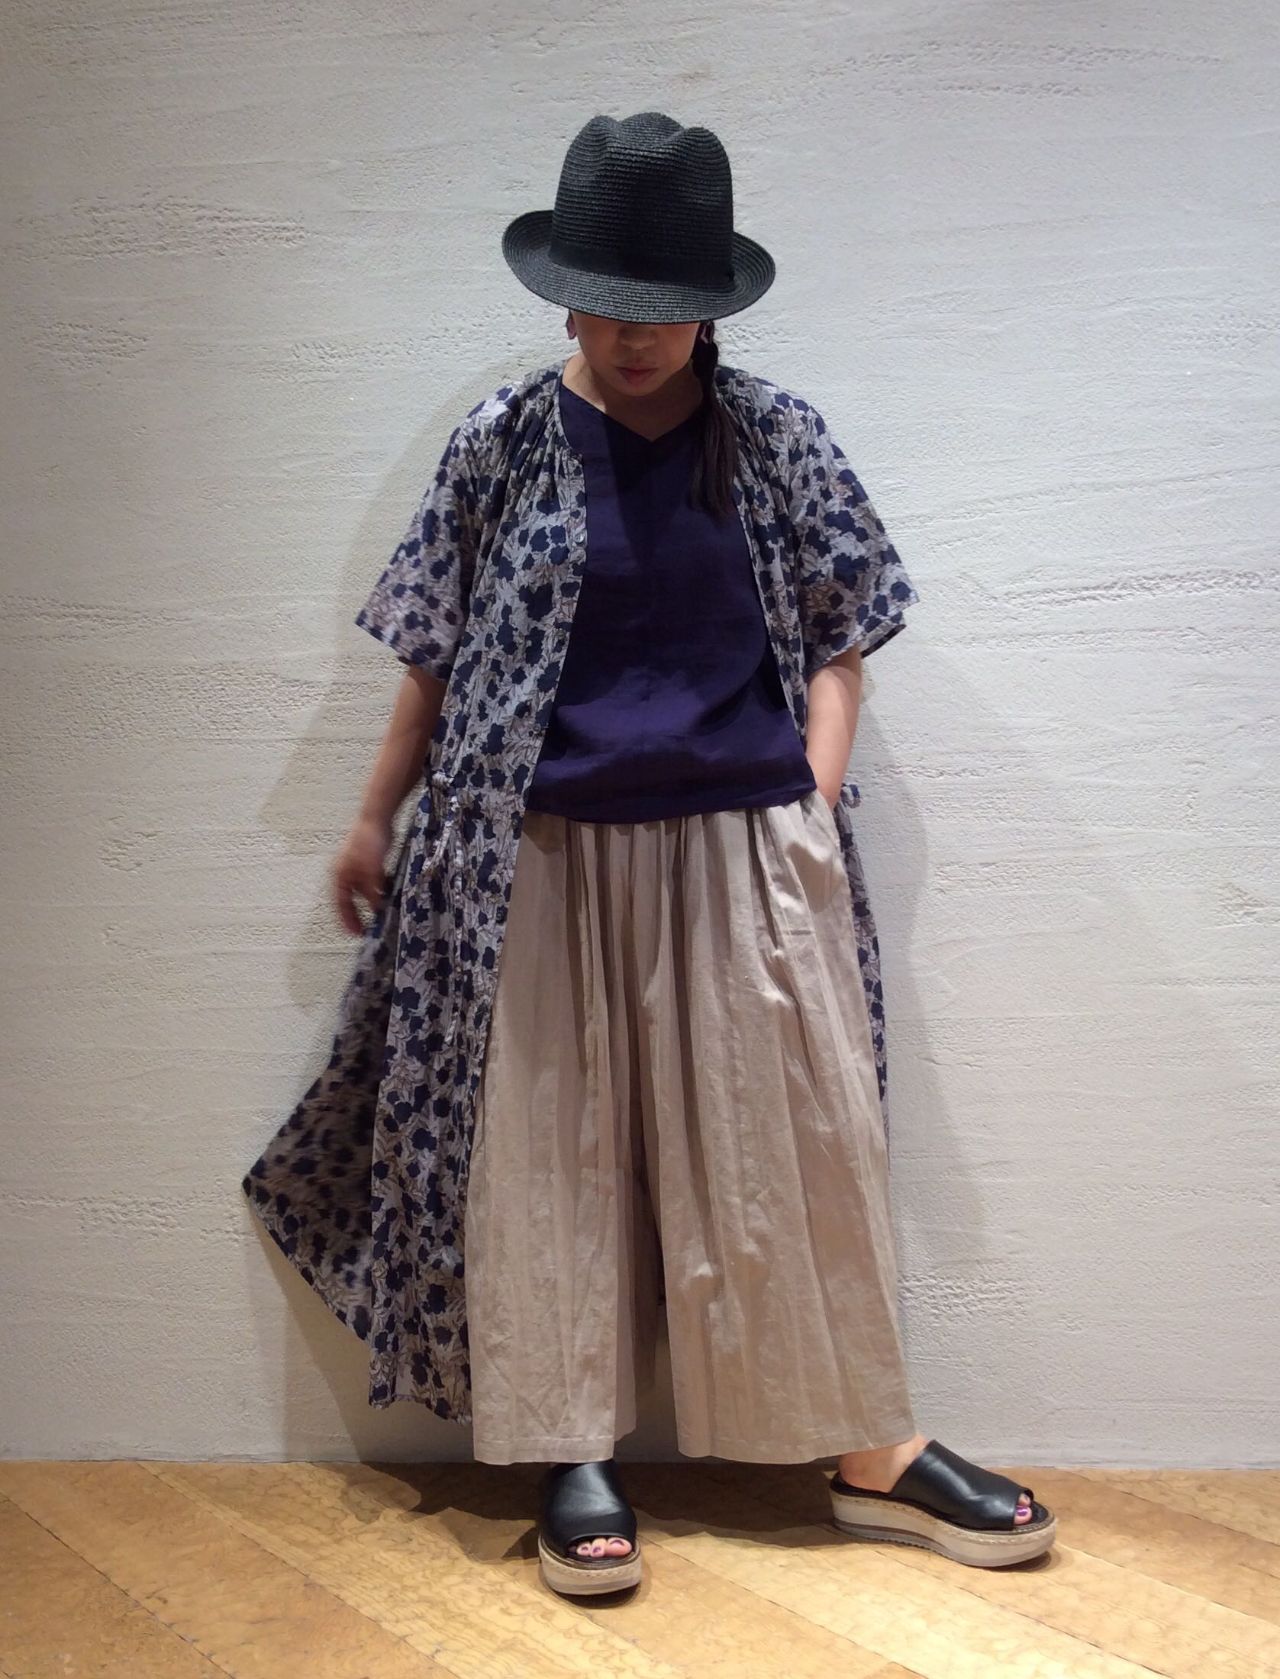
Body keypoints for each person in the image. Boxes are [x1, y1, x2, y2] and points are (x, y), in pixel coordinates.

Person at [242, 111, 1056, 1597]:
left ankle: (869, 1446)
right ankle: (571, 1446)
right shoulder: (500, 444)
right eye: (610, 306)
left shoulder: (778, 438)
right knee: (548, 1154)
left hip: (743, 846)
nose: (635, 338)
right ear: (565, 298)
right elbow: (430, 650)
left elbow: (842, 643)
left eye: (666, 310)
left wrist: (810, 806)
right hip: (535, 855)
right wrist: (371, 816)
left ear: (711, 308)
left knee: (797, 1144)